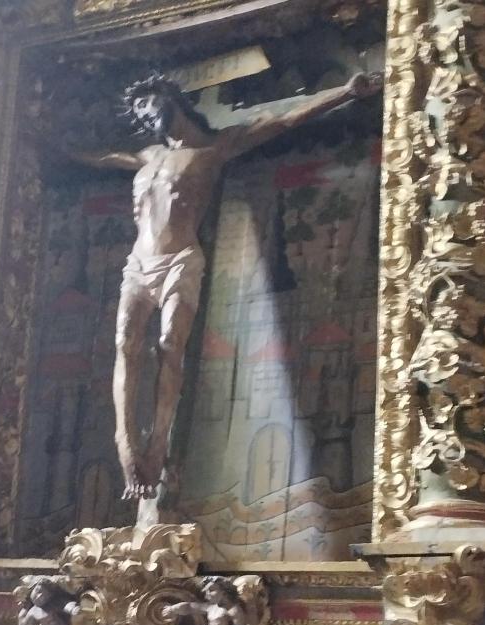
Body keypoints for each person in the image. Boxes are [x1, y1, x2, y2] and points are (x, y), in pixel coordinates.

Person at [65, 71, 382, 499]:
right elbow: (98, 158)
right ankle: (126, 441)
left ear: (171, 97)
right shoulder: (146, 156)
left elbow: (283, 120)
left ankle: (157, 443)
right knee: (125, 342)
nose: (143, 114)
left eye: (148, 102)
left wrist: (344, 92)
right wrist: (40, 140)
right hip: (138, 264)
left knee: (169, 344)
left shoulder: (215, 148)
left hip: (181, 259)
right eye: (137, 111)